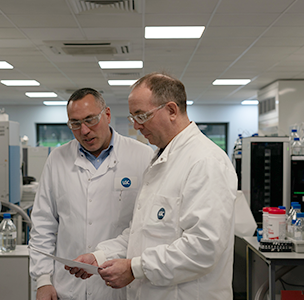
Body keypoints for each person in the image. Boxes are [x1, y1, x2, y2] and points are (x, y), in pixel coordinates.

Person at [67, 73, 237, 300]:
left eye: (142, 115)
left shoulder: (205, 162)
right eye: (133, 117)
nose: (136, 125)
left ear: (172, 110)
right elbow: (142, 233)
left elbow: (203, 248)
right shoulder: (161, 159)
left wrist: (134, 268)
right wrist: (100, 256)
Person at [29, 87, 154, 300]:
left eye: (90, 120)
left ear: (107, 115)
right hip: (68, 286)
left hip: (121, 287)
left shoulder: (142, 156)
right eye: (75, 124)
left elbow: (145, 228)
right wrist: (43, 280)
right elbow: (43, 225)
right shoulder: (57, 159)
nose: (84, 130)